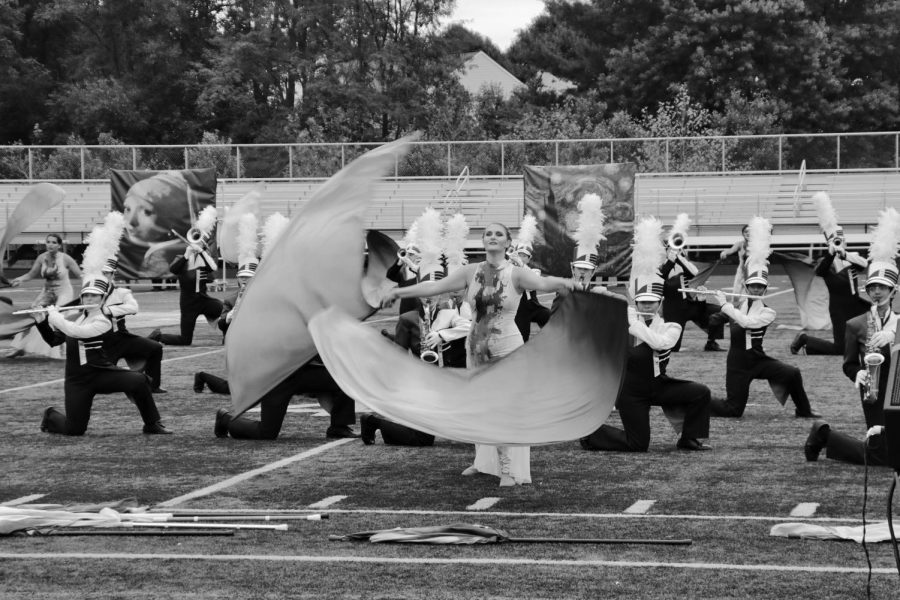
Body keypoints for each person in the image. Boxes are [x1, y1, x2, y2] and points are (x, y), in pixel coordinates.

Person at [383, 222, 575, 487]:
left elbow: (544, 283)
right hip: (475, 348)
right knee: (479, 407)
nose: (492, 237)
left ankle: (508, 468)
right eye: (488, 234)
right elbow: (431, 288)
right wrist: (398, 291)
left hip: (508, 349)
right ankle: (483, 461)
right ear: (483, 242)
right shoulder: (469, 272)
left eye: (499, 234)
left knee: (504, 409)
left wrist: (568, 282)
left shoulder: (516, 274)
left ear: (508, 243)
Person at [580, 215, 711, 452]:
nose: (647, 306)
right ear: (637, 302)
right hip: (630, 391)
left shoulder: (670, 326)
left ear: (659, 302)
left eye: (652, 302)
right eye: (642, 302)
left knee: (700, 392)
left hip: (660, 385)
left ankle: (689, 438)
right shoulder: (626, 319)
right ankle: (590, 435)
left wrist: (630, 319)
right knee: (638, 444)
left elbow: (660, 344)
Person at [707, 218, 821, 419]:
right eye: (753, 286)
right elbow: (716, 320)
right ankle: (698, 401)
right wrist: (705, 300)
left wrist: (725, 305)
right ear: (747, 286)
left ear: (765, 288)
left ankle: (803, 410)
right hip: (738, 363)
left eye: (760, 286)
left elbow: (746, 322)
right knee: (733, 410)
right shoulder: (739, 304)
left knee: (792, 373)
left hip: (758, 359)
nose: (756, 289)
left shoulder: (768, 312)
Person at [33, 276, 170, 436]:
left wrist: (55, 316)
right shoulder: (74, 318)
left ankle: (152, 424)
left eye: (94, 295)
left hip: (102, 373)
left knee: (139, 380)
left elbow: (76, 332)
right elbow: (53, 340)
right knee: (75, 430)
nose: (89, 298)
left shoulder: (103, 321)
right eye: (86, 295)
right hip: (77, 380)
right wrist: (41, 321)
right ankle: (50, 416)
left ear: (102, 298)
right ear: (82, 297)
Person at [804, 240, 899, 465]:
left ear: (892, 290)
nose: (877, 292)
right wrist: (857, 374)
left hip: (897, 389)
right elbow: (849, 364)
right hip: (873, 391)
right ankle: (824, 435)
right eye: (873, 287)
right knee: (882, 457)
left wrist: (894, 336)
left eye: (882, 287)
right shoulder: (855, 324)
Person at [210, 357, 360, 440]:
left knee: (342, 377)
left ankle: (339, 427)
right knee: (267, 433)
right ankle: (225, 419)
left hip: (303, 371)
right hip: (277, 376)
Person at [790, 230, 869, 355]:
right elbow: (820, 272)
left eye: (842, 240)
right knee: (841, 349)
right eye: (836, 241)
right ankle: (805, 339)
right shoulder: (826, 261)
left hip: (856, 304)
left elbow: (864, 264)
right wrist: (831, 253)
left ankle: (810, 348)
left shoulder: (852, 256)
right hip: (839, 309)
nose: (839, 243)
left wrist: (845, 255)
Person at [6, 233, 82, 359]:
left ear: (59, 245)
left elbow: (80, 275)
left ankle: (62, 349)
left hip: (64, 292)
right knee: (32, 314)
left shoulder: (66, 259)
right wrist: (19, 279)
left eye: (53, 242)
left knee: (57, 317)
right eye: (48, 242)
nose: (50, 245)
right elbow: (31, 274)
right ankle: (20, 347)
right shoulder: (41, 258)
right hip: (47, 292)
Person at [97, 259, 166, 393]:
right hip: (103, 342)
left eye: (107, 273)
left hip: (122, 337)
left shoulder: (122, 292)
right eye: (102, 273)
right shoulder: (89, 294)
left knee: (156, 348)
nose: (104, 276)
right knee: (104, 384)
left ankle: (153, 385)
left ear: (112, 275)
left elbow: (134, 308)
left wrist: (108, 310)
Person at [148, 236, 223, 346]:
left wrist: (201, 251)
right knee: (185, 340)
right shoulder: (181, 258)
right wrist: (186, 255)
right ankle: (158, 336)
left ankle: (228, 336)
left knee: (227, 312)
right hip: (188, 304)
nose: (196, 244)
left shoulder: (203, 258)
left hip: (204, 300)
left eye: (199, 243)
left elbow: (213, 267)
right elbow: (173, 269)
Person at [119, 171, 194, 278]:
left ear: (170, 217)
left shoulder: (158, 257)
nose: (132, 221)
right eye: (128, 209)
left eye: (147, 212)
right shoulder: (153, 253)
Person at [659, 240, 728, 352]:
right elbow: (661, 276)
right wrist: (670, 260)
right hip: (673, 309)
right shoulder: (658, 266)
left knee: (722, 312)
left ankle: (711, 342)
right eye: (670, 248)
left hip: (689, 305)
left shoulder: (681, 262)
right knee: (673, 347)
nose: (675, 250)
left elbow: (693, 273)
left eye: (678, 248)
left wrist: (678, 257)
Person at [511, 241, 551, 342]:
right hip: (519, 310)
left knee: (551, 317)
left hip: (534, 307)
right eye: (519, 255)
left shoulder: (534, 271)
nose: (521, 258)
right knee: (522, 338)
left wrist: (521, 265)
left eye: (525, 256)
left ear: (529, 259)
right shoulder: (510, 271)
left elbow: (532, 282)